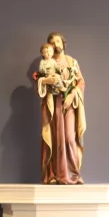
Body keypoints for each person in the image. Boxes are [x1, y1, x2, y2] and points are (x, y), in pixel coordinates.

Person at [35, 32, 86, 185]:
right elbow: (39, 79)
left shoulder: (72, 62)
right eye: (52, 42)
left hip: (69, 103)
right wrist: (45, 81)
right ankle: (54, 175)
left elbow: (81, 81)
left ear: (63, 43)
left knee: (70, 138)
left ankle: (73, 174)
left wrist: (73, 94)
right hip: (53, 103)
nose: (56, 44)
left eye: (58, 41)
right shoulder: (47, 62)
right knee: (55, 138)